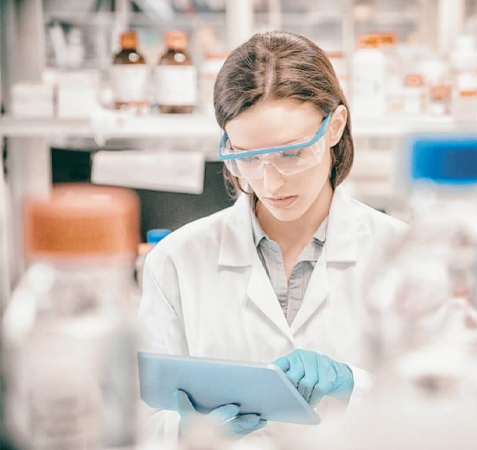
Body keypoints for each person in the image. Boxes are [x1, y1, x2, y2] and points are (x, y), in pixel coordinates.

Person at [138, 31, 406, 444]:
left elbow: (448, 412)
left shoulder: (401, 255)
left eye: (291, 153)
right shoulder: (175, 261)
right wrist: (182, 431)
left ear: (334, 127)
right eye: (247, 157)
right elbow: (140, 419)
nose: (270, 180)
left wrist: (357, 387)